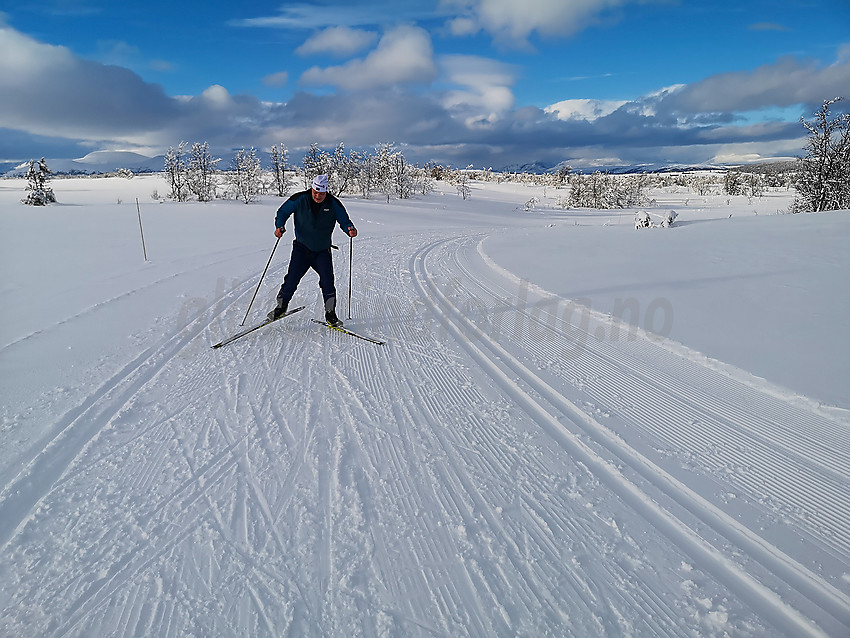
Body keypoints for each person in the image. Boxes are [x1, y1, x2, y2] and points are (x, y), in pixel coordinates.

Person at [268, 174, 357, 327]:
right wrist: (279, 226)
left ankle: (331, 314)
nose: (317, 195)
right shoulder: (300, 199)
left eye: (321, 193)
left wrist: (349, 228)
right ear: (312, 188)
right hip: (301, 249)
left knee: (328, 282)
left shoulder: (333, 203)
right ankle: (280, 307)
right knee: (291, 280)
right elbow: (282, 212)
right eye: (315, 192)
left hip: (322, 251)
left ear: (326, 191)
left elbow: (344, 220)